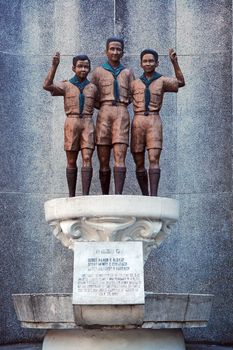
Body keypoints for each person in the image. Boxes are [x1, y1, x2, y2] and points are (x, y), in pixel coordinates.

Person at [130, 48, 185, 196]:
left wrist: (175, 62)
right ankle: (145, 195)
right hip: (138, 120)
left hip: (154, 120)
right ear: (141, 64)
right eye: (145, 61)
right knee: (139, 160)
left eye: (151, 61)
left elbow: (180, 82)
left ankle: (154, 195)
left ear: (157, 63)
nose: (148, 63)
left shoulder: (162, 81)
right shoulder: (134, 83)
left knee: (154, 157)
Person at [43, 52, 98, 197]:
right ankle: (72, 195)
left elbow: (102, 103)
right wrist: (54, 66)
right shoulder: (66, 85)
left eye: (86, 67)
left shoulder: (93, 87)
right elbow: (47, 85)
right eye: (80, 66)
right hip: (71, 122)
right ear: (74, 68)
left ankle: (85, 195)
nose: (83, 69)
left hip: (87, 122)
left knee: (87, 157)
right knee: (71, 159)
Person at [91, 37, 135, 194]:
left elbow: (133, 94)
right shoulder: (98, 72)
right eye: (112, 49)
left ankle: (118, 195)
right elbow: (92, 95)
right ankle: (105, 195)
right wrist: (105, 106)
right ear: (106, 51)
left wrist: (120, 105)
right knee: (103, 158)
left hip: (122, 112)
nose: (115, 52)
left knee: (120, 154)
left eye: (118, 49)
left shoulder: (128, 73)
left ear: (123, 52)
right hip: (104, 112)